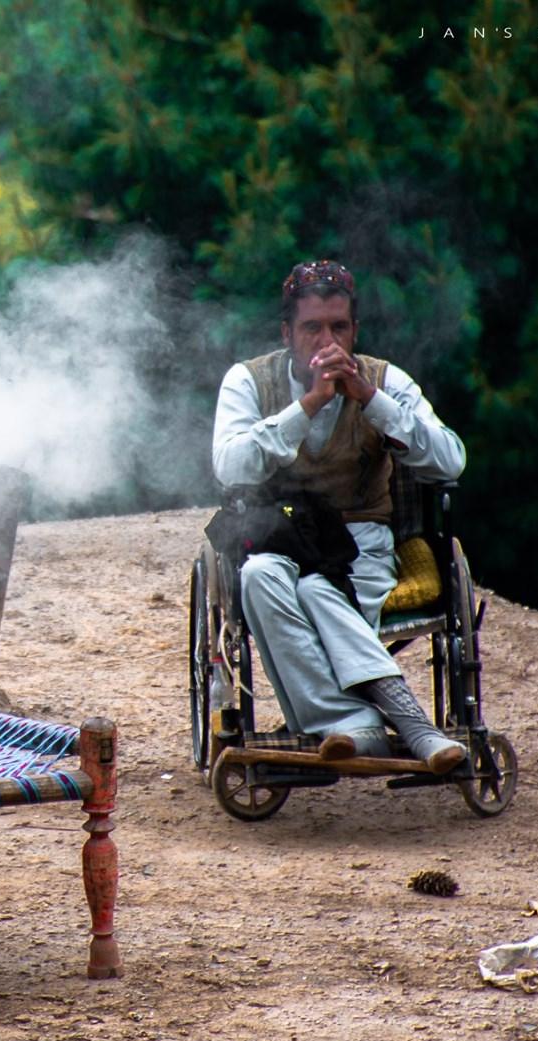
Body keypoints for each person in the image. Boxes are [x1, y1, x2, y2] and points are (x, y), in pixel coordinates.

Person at [210, 260, 469, 772]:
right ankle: (387, 722)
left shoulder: (384, 380)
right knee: (259, 577)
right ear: (288, 333)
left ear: (354, 330)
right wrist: (305, 407)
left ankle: (350, 728)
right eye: (311, 328)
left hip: (359, 541)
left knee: (317, 591)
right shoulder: (248, 381)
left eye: (338, 327)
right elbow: (229, 466)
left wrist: (371, 402)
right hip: (276, 538)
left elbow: (450, 459)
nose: (326, 341)